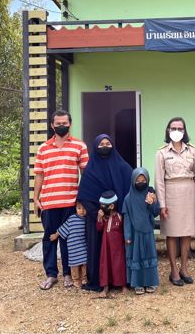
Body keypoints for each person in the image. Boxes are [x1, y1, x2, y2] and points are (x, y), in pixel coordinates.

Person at [34, 109, 89, 290]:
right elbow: (39, 175)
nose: (61, 126)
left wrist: (83, 199)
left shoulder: (79, 146)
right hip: (49, 203)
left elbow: (85, 174)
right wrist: (35, 199)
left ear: (70, 124)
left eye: (64, 123)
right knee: (49, 239)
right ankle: (51, 275)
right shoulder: (43, 149)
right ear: (52, 125)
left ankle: (67, 274)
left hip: (71, 203)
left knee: (68, 240)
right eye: (58, 123)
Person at [76, 134, 132, 292]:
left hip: (117, 219)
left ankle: (120, 280)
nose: (105, 146)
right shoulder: (90, 170)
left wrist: (150, 191)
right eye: (101, 144)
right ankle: (100, 281)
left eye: (108, 143)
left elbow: (135, 182)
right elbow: (84, 195)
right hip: (97, 219)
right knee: (97, 250)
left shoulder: (121, 166)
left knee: (118, 252)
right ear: (95, 147)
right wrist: (99, 213)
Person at [155, 117, 195, 286]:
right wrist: (162, 204)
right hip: (170, 193)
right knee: (172, 232)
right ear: (168, 131)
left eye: (180, 128)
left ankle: (184, 268)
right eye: (173, 128)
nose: (177, 131)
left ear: (184, 131)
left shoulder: (192, 151)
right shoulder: (161, 153)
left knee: (186, 232)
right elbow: (159, 180)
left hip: (189, 192)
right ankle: (173, 270)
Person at [122, 167, 161, 295]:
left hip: (148, 232)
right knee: (136, 257)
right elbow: (127, 219)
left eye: (143, 180)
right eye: (138, 180)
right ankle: (137, 283)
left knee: (149, 256)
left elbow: (155, 212)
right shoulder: (128, 199)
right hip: (135, 234)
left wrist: (152, 203)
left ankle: (150, 282)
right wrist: (127, 235)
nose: (140, 183)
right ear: (133, 181)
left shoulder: (150, 195)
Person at [49, 201, 88, 289]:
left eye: (84, 209)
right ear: (75, 209)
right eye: (79, 208)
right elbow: (63, 228)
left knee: (84, 264)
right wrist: (56, 235)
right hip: (73, 249)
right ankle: (76, 280)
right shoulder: (72, 219)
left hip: (83, 248)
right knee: (74, 266)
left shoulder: (87, 220)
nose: (82, 211)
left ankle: (84, 279)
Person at [97, 190, 127, 298]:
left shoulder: (119, 216)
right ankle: (105, 287)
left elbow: (124, 230)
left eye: (103, 205)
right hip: (106, 247)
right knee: (105, 264)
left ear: (111, 206)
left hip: (118, 247)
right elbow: (99, 228)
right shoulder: (104, 217)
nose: (101, 208)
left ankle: (123, 285)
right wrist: (99, 218)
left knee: (119, 264)